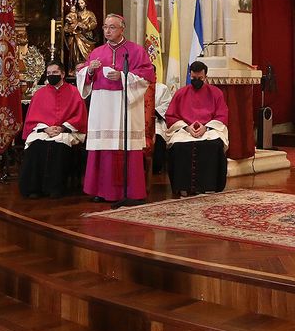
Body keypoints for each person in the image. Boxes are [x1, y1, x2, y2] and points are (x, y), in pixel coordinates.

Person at [78, 14, 156, 206]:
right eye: (105, 27)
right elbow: (83, 77)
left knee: (125, 147)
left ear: (122, 29)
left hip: (125, 104)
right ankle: (102, 190)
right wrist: (89, 70)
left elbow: (147, 77)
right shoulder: (96, 52)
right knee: (103, 147)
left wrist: (122, 76)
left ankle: (131, 191)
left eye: (112, 27)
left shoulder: (136, 51)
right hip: (102, 104)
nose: (107, 31)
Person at [20, 62, 86, 198]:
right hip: (44, 131)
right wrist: (46, 128)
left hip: (66, 131)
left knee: (57, 147)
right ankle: (33, 189)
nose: (51, 76)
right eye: (49, 73)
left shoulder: (74, 92)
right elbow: (32, 117)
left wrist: (62, 128)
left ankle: (55, 188)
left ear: (62, 74)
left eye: (55, 73)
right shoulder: (39, 93)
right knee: (35, 146)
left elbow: (79, 116)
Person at [163, 62, 229, 198]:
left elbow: (222, 115)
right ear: (190, 75)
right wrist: (187, 127)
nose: (196, 81)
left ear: (206, 76)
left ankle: (209, 186)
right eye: (193, 78)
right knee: (179, 146)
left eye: (200, 79)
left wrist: (206, 127)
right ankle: (182, 187)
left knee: (214, 144)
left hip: (209, 129)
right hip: (185, 129)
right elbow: (170, 116)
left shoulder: (215, 93)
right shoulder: (181, 93)